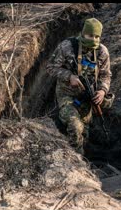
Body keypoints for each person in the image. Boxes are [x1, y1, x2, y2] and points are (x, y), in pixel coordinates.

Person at [46, 18, 113, 155]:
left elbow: (106, 75)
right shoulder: (67, 47)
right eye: (90, 36)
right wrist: (69, 77)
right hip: (67, 93)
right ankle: (77, 159)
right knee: (75, 125)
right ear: (83, 33)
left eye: (96, 37)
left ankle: (82, 158)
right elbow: (50, 67)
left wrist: (102, 90)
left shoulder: (102, 52)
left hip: (87, 97)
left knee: (84, 130)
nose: (93, 39)